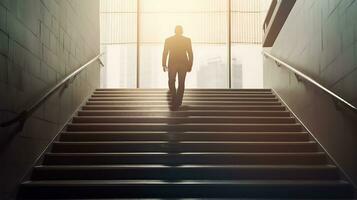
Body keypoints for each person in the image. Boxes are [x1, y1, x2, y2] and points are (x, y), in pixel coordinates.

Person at [162, 25, 193, 110]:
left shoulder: (168, 40)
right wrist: (190, 65)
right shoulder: (187, 40)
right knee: (181, 83)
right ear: (182, 31)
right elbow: (190, 53)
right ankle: (178, 100)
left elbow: (165, 53)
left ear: (175, 31)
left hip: (172, 63)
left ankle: (175, 98)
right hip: (183, 64)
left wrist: (164, 64)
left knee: (171, 81)